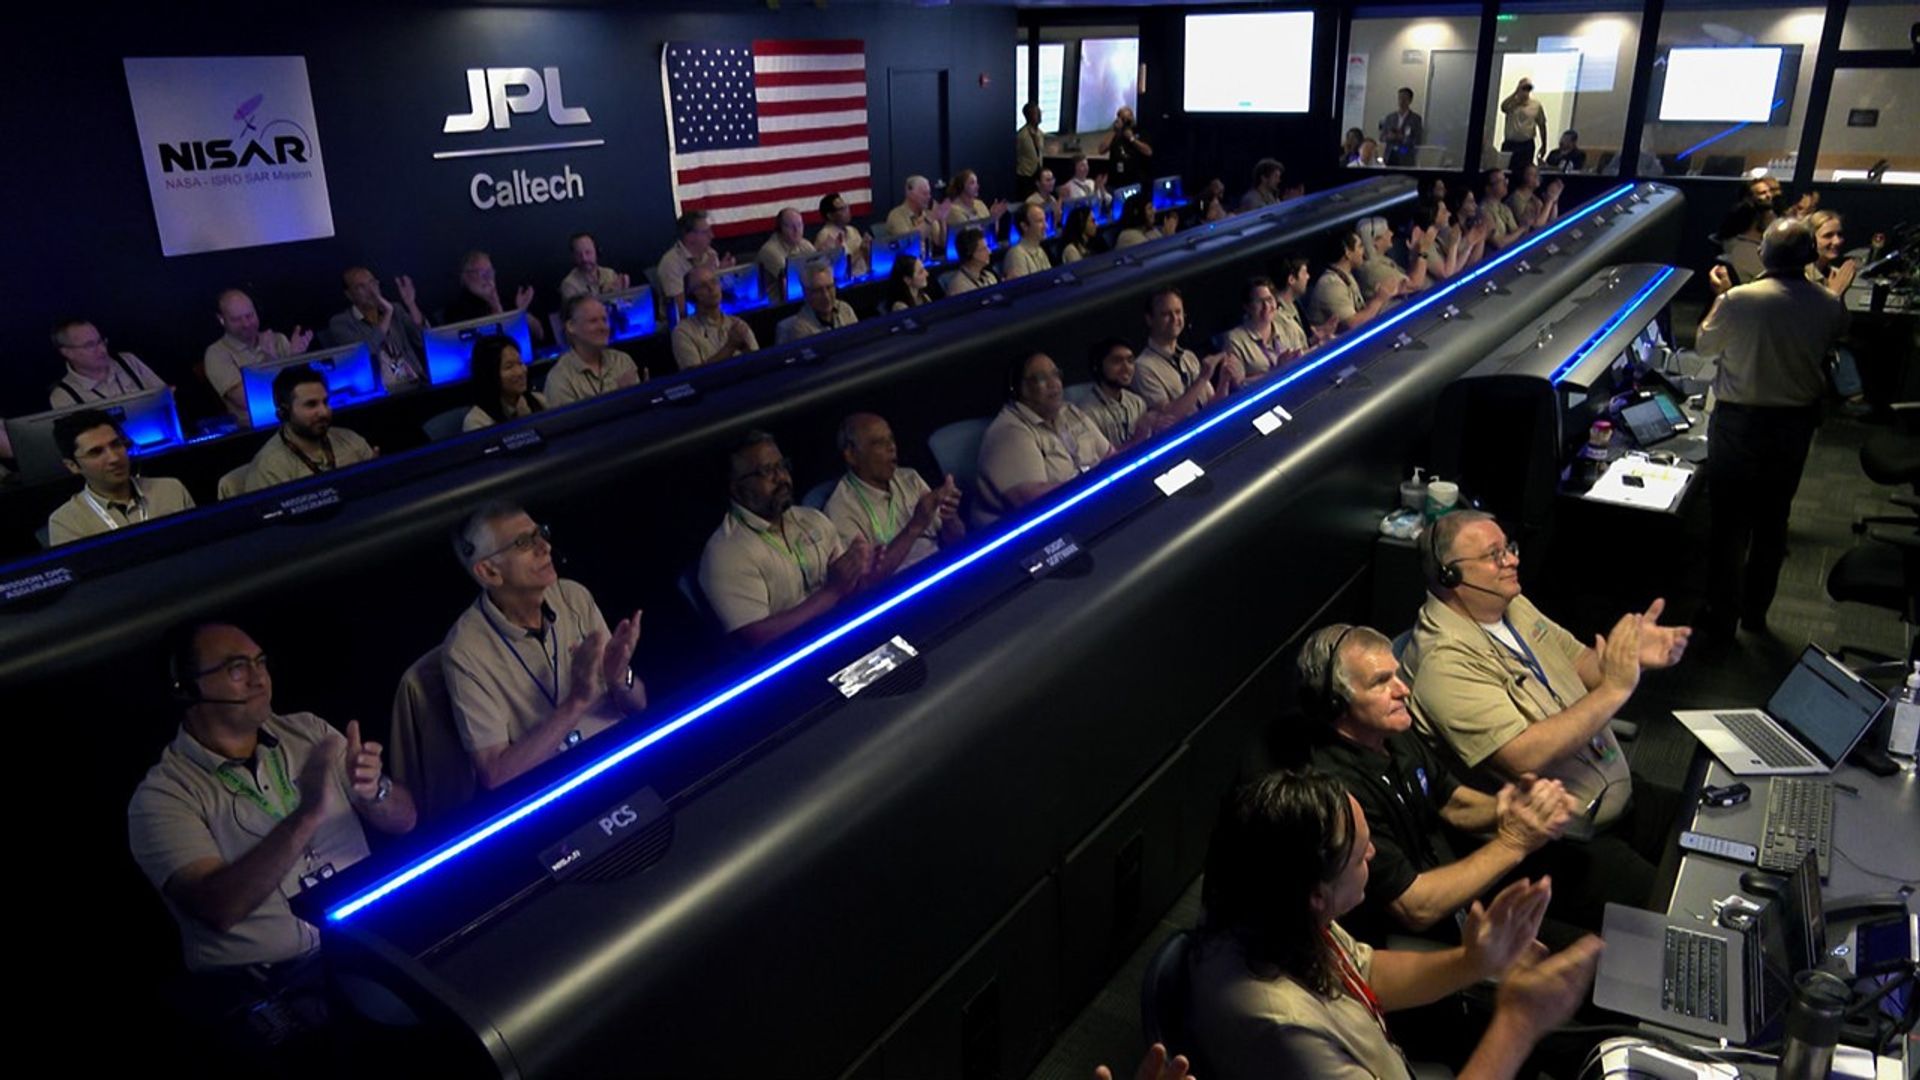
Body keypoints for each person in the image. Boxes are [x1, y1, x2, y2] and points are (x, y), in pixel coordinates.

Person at [1188, 769, 1604, 1080]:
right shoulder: (1281, 1027)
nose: (1373, 853)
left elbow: (1364, 971)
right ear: (1316, 894)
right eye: (1359, 855)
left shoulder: (1279, 912)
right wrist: (1518, 1022)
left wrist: (1474, 961)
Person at [1403, 510, 1687, 895]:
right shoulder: (1444, 663)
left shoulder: (1511, 606)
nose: (1512, 560)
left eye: (1509, 548)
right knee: (1678, 903)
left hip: (1612, 790)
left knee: (1711, 821)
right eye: (1494, 555)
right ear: (1450, 576)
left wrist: (1631, 657)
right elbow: (1523, 756)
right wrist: (1614, 690)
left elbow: (1582, 663)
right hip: (1563, 837)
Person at [129, 621, 416, 977]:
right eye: (237, 668)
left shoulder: (308, 730)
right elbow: (219, 907)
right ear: (186, 690)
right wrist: (306, 815)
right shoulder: (162, 797)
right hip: (276, 980)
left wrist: (376, 792)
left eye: (260, 662)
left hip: (371, 942)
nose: (259, 678)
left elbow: (405, 821)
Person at [1298, 624, 1586, 948]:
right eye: (1381, 682)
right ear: (1336, 703)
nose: (1402, 690)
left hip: (1459, 900)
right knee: (1578, 954)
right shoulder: (1339, 793)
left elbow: (1452, 802)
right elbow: (1414, 907)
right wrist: (1515, 841)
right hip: (1411, 943)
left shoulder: (1391, 734)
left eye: (1396, 675)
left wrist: (1511, 807)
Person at [1697, 219, 1850, 637]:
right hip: (1794, 427)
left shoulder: (1738, 300)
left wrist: (1720, 296)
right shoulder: (1828, 303)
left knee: (1729, 526)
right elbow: (1836, 333)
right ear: (1809, 255)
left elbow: (1705, 345)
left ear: (1764, 253)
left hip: (1739, 424)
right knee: (1772, 521)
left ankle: (1721, 618)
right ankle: (1755, 614)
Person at [443, 501, 646, 790]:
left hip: (624, 755)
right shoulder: (464, 652)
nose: (546, 547)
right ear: (489, 572)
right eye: (524, 542)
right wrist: (576, 702)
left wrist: (620, 677)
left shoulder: (573, 596)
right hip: (560, 789)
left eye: (541, 533)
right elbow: (496, 775)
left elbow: (639, 704)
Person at [699, 430, 877, 648]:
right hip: (797, 657)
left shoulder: (812, 519)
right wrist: (832, 592)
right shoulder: (727, 553)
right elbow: (756, 638)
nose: (781, 477)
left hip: (845, 636)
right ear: (737, 488)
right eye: (767, 471)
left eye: (782, 466)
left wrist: (865, 570)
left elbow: (850, 590)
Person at [975, 352, 1116, 527]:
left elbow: (1111, 457)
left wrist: (1141, 438)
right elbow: (1034, 503)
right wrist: (1096, 484)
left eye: (1055, 374)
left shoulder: (1069, 412)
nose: (1054, 383)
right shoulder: (1008, 433)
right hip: (1044, 529)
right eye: (1041, 378)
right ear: (1018, 388)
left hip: (1088, 508)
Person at [824, 412, 964, 578]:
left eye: (891, 439)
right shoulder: (840, 509)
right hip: (900, 587)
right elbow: (867, 582)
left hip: (939, 570)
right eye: (878, 443)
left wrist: (950, 517)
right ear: (851, 455)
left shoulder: (910, 478)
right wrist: (916, 524)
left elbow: (957, 541)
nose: (891, 447)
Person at [47, 409, 195, 545]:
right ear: (72, 465)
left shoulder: (171, 490)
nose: (114, 458)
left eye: (116, 444)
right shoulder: (66, 521)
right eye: (96, 452)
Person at [241, 365, 377, 492]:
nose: (324, 412)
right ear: (285, 412)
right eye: (311, 404)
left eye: (325, 402)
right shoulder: (269, 468)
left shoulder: (351, 441)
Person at [203, 290, 313, 426]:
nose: (246, 324)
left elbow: (306, 389)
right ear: (221, 319)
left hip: (297, 418)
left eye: (249, 316)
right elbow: (247, 400)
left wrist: (296, 359)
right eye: (236, 319)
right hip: (257, 428)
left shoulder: (278, 339)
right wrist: (270, 360)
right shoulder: (216, 353)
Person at [328, 267, 426, 394]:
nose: (371, 291)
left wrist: (411, 304)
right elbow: (364, 354)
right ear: (349, 295)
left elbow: (422, 339)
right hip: (378, 393)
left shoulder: (396, 309)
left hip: (415, 382)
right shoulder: (341, 323)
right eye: (361, 287)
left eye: (372, 283)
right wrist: (387, 314)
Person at [1136, 287, 1234, 408]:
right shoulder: (1143, 367)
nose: (1174, 319)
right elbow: (1167, 415)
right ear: (1149, 319)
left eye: (1178, 312)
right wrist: (1202, 378)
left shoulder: (1189, 357)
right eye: (1166, 314)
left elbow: (1212, 405)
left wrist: (1225, 380)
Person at [545, 295, 644, 405]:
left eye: (604, 320)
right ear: (571, 326)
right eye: (593, 321)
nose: (603, 327)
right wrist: (620, 397)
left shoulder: (622, 361)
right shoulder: (560, 379)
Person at [47, 318, 166, 408]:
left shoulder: (127, 361)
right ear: (67, 352)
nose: (102, 349)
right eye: (90, 345)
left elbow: (165, 397)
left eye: (100, 341)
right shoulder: (63, 396)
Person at [1220, 276, 1308, 382]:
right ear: (1247, 307)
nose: (1266, 306)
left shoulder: (1285, 321)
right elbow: (1238, 384)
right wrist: (1277, 371)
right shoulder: (1234, 340)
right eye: (1259, 302)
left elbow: (1306, 353)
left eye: (1269, 299)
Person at [446, 250, 545, 344]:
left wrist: (521, 313)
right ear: (465, 277)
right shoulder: (457, 311)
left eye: (489, 272)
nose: (487, 278)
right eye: (480, 273)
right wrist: (497, 310)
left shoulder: (506, 299)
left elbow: (539, 334)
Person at [673, 265, 761, 370]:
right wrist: (730, 347)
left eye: (714, 282)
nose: (711, 288)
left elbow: (759, 364)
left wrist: (746, 349)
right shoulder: (683, 332)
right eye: (702, 286)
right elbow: (695, 375)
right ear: (691, 297)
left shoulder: (738, 324)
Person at [1308, 232, 1395, 333]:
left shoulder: (1345, 275)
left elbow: (1360, 311)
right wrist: (1379, 299)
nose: (1363, 250)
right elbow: (1354, 324)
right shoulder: (1331, 285)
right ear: (1348, 253)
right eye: (1360, 246)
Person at [461, 335, 546, 432]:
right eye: (509, 367)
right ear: (489, 374)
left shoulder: (539, 400)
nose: (520, 372)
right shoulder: (477, 421)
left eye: (520, 363)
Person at [656, 210, 736, 314]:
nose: (712, 235)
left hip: (714, 314)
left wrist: (722, 273)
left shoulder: (710, 253)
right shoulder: (671, 263)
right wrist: (704, 271)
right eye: (706, 232)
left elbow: (716, 294)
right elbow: (680, 309)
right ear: (690, 237)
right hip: (687, 321)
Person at [777, 262, 859, 342]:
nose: (826, 296)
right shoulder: (800, 328)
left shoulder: (845, 309)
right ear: (806, 293)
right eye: (818, 291)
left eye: (829, 287)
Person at [1354, 217, 1426, 299]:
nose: (1391, 233)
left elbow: (1408, 276)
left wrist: (1415, 253)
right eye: (1386, 232)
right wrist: (1423, 251)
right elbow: (1414, 284)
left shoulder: (1382, 259)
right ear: (1376, 241)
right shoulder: (1374, 269)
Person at [755, 207, 817, 299]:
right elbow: (789, 283)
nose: (797, 230)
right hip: (778, 303)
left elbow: (820, 269)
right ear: (780, 228)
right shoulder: (769, 251)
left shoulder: (804, 244)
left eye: (799, 225)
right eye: (791, 226)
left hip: (804, 296)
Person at [885, 175, 948, 254]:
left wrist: (942, 221)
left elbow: (941, 243)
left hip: (928, 259)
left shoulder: (926, 213)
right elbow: (909, 243)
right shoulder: (896, 216)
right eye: (924, 194)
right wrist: (930, 219)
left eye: (929, 193)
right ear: (910, 194)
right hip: (907, 260)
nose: (929, 197)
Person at [558, 231, 629, 300]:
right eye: (578, 254)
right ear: (573, 257)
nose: (584, 258)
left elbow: (622, 302)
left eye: (588, 252)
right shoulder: (569, 285)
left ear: (597, 252)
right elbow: (578, 308)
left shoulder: (609, 274)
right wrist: (606, 294)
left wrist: (623, 290)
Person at [815, 193, 871, 279]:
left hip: (864, 276)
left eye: (847, 207)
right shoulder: (825, 236)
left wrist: (868, 249)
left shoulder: (852, 230)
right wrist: (860, 252)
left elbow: (864, 258)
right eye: (842, 209)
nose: (847, 211)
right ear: (830, 216)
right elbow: (835, 271)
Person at [1715, 199, 1771, 285]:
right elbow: (1777, 281)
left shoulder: (1739, 244)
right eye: (1772, 219)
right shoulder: (1746, 251)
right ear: (1756, 222)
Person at [1498, 78, 1548, 172]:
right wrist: (1516, 93)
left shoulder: (1536, 105)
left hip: (1526, 144)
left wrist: (1544, 145)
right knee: (1506, 169)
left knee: (1525, 171)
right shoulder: (1511, 104)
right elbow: (1503, 107)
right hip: (1510, 144)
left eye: (1528, 88)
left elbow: (1542, 125)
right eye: (1523, 88)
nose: (1526, 91)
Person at [944, 168, 1010, 236]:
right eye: (972, 183)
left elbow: (992, 233)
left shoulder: (980, 204)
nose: (977, 186)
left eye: (976, 182)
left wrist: (995, 218)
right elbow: (972, 235)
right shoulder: (953, 210)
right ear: (961, 186)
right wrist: (991, 219)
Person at [1101, 106, 1153, 184]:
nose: (1126, 121)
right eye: (1122, 118)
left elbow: (1148, 152)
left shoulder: (1139, 131)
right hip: (1116, 179)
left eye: (1127, 118)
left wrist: (1132, 139)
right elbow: (1101, 150)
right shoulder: (1116, 134)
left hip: (1135, 179)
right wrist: (1114, 131)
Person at [1478, 169, 1528, 251]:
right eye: (1500, 181)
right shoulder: (1483, 211)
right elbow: (1499, 243)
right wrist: (1522, 228)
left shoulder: (1505, 209)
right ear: (1488, 188)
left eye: (1505, 180)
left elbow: (1516, 233)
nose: (1505, 184)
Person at [944, 227, 1001, 296]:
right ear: (970, 253)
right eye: (983, 249)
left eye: (987, 247)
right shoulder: (959, 287)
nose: (989, 252)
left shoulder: (990, 276)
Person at [1002, 203, 1053, 280]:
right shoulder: (1016, 255)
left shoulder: (1040, 250)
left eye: (1044, 220)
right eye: (1039, 221)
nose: (1046, 226)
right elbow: (1023, 286)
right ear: (1024, 226)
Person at [1505, 164, 1562, 231]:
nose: (1537, 176)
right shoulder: (1515, 199)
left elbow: (1551, 221)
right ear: (1522, 177)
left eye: (1537, 173)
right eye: (1531, 174)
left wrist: (1554, 200)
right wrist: (1549, 201)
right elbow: (1536, 226)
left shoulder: (1535, 199)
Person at [1378, 88, 1424, 167]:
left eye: (1404, 99)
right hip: (1390, 156)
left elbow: (1417, 140)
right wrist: (1389, 136)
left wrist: (1402, 138)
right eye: (1400, 98)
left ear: (1410, 101)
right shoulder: (1390, 118)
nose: (1401, 101)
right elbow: (1382, 137)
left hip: (1406, 156)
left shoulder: (1415, 119)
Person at [1015, 102, 1047, 196]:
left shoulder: (1040, 134)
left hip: (1038, 174)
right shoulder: (1022, 135)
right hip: (1026, 175)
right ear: (1028, 116)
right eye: (1036, 113)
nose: (1040, 116)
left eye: (1040, 112)